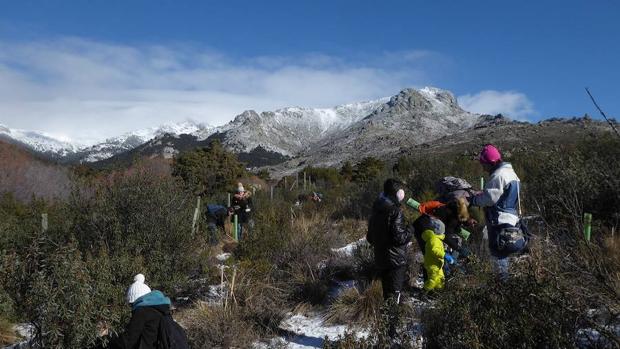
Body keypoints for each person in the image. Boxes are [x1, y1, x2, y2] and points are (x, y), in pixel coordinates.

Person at [469, 144, 528, 279]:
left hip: (499, 221)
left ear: (491, 162)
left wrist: (473, 200)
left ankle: (502, 288)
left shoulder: (498, 175)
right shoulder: (512, 174)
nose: (484, 168)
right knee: (505, 253)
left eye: (484, 164)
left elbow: (490, 198)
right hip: (512, 219)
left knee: (498, 254)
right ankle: (506, 286)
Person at [367, 178, 414, 303]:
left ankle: (386, 320)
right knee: (394, 296)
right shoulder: (395, 211)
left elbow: (370, 238)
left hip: (381, 259)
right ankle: (393, 321)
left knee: (387, 295)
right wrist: (410, 230)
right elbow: (400, 238)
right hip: (396, 261)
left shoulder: (376, 210)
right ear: (397, 194)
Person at [107, 274, 177, 349]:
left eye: (131, 304)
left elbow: (127, 342)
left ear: (135, 300)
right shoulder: (163, 310)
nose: (131, 307)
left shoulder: (141, 312)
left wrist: (108, 340)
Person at [412, 199, 469, 291]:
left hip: (426, 227)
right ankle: (429, 287)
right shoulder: (448, 215)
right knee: (429, 257)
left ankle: (436, 285)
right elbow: (446, 236)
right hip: (424, 230)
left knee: (434, 258)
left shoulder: (449, 209)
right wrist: (458, 248)